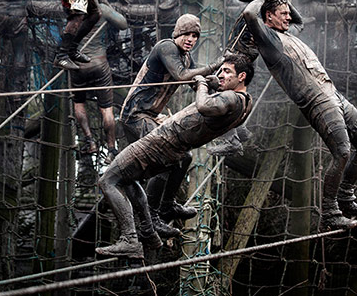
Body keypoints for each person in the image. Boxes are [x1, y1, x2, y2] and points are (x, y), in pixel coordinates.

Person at [241, 0, 357, 230]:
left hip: (333, 93)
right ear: (269, 17)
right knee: (343, 151)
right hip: (316, 101)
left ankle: (345, 196)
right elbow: (251, 15)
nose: (288, 16)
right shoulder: (268, 40)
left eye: (287, 12)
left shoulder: (289, 32)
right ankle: (330, 212)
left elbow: (299, 19)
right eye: (282, 13)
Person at [97, 53, 253, 258]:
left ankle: (129, 240)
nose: (221, 74)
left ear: (241, 76)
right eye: (221, 70)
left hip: (160, 143)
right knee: (125, 178)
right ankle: (148, 231)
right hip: (174, 150)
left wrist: (202, 85)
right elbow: (220, 111)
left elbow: (205, 106)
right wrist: (215, 85)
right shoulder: (245, 103)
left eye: (227, 71)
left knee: (107, 180)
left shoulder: (231, 97)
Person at [120, 14, 222, 238]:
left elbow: (194, 82)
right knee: (165, 158)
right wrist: (214, 65)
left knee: (184, 158)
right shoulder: (166, 47)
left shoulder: (186, 57)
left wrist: (215, 81)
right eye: (187, 34)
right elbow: (181, 75)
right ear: (178, 33)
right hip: (135, 114)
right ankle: (152, 218)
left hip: (150, 116)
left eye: (195, 35)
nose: (191, 39)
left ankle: (167, 205)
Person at [71, 5, 127, 164]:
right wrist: (108, 7)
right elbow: (123, 24)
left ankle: (90, 141)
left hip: (78, 65)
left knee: (78, 104)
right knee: (106, 109)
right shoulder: (101, 8)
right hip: (99, 63)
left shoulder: (72, 8)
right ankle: (111, 150)